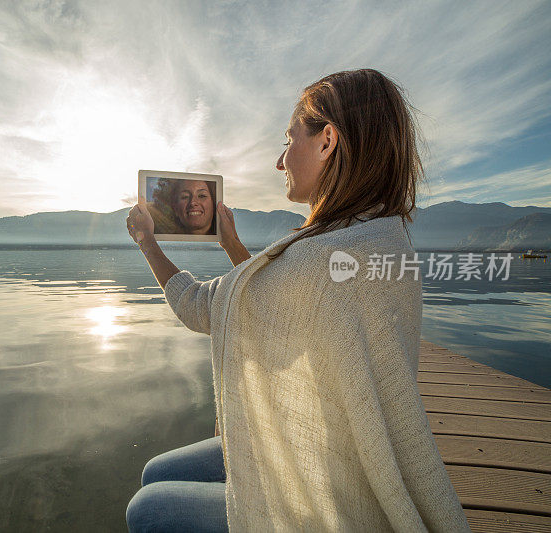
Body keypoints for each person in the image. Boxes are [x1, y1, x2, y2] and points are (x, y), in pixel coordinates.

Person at [125, 68, 471, 532]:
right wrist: (233, 247)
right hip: (344, 447)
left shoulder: (317, 260)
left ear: (327, 141)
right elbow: (278, 307)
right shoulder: (382, 238)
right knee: (157, 473)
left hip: (331, 496)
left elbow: (200, 306)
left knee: (147, 509)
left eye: (289, 139)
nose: (280, 160)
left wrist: (148, 243)